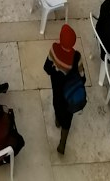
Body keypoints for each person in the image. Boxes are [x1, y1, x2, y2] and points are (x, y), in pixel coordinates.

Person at [43, 23, 86, 155]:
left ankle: (57, 120)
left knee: (57, 105)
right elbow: (82, 76)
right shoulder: (76, 56)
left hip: (57, 89)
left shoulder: (54, 49)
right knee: (67, 119)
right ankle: (62, 144)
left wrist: (56, 71)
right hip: (70, 96)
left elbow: (47, 68)